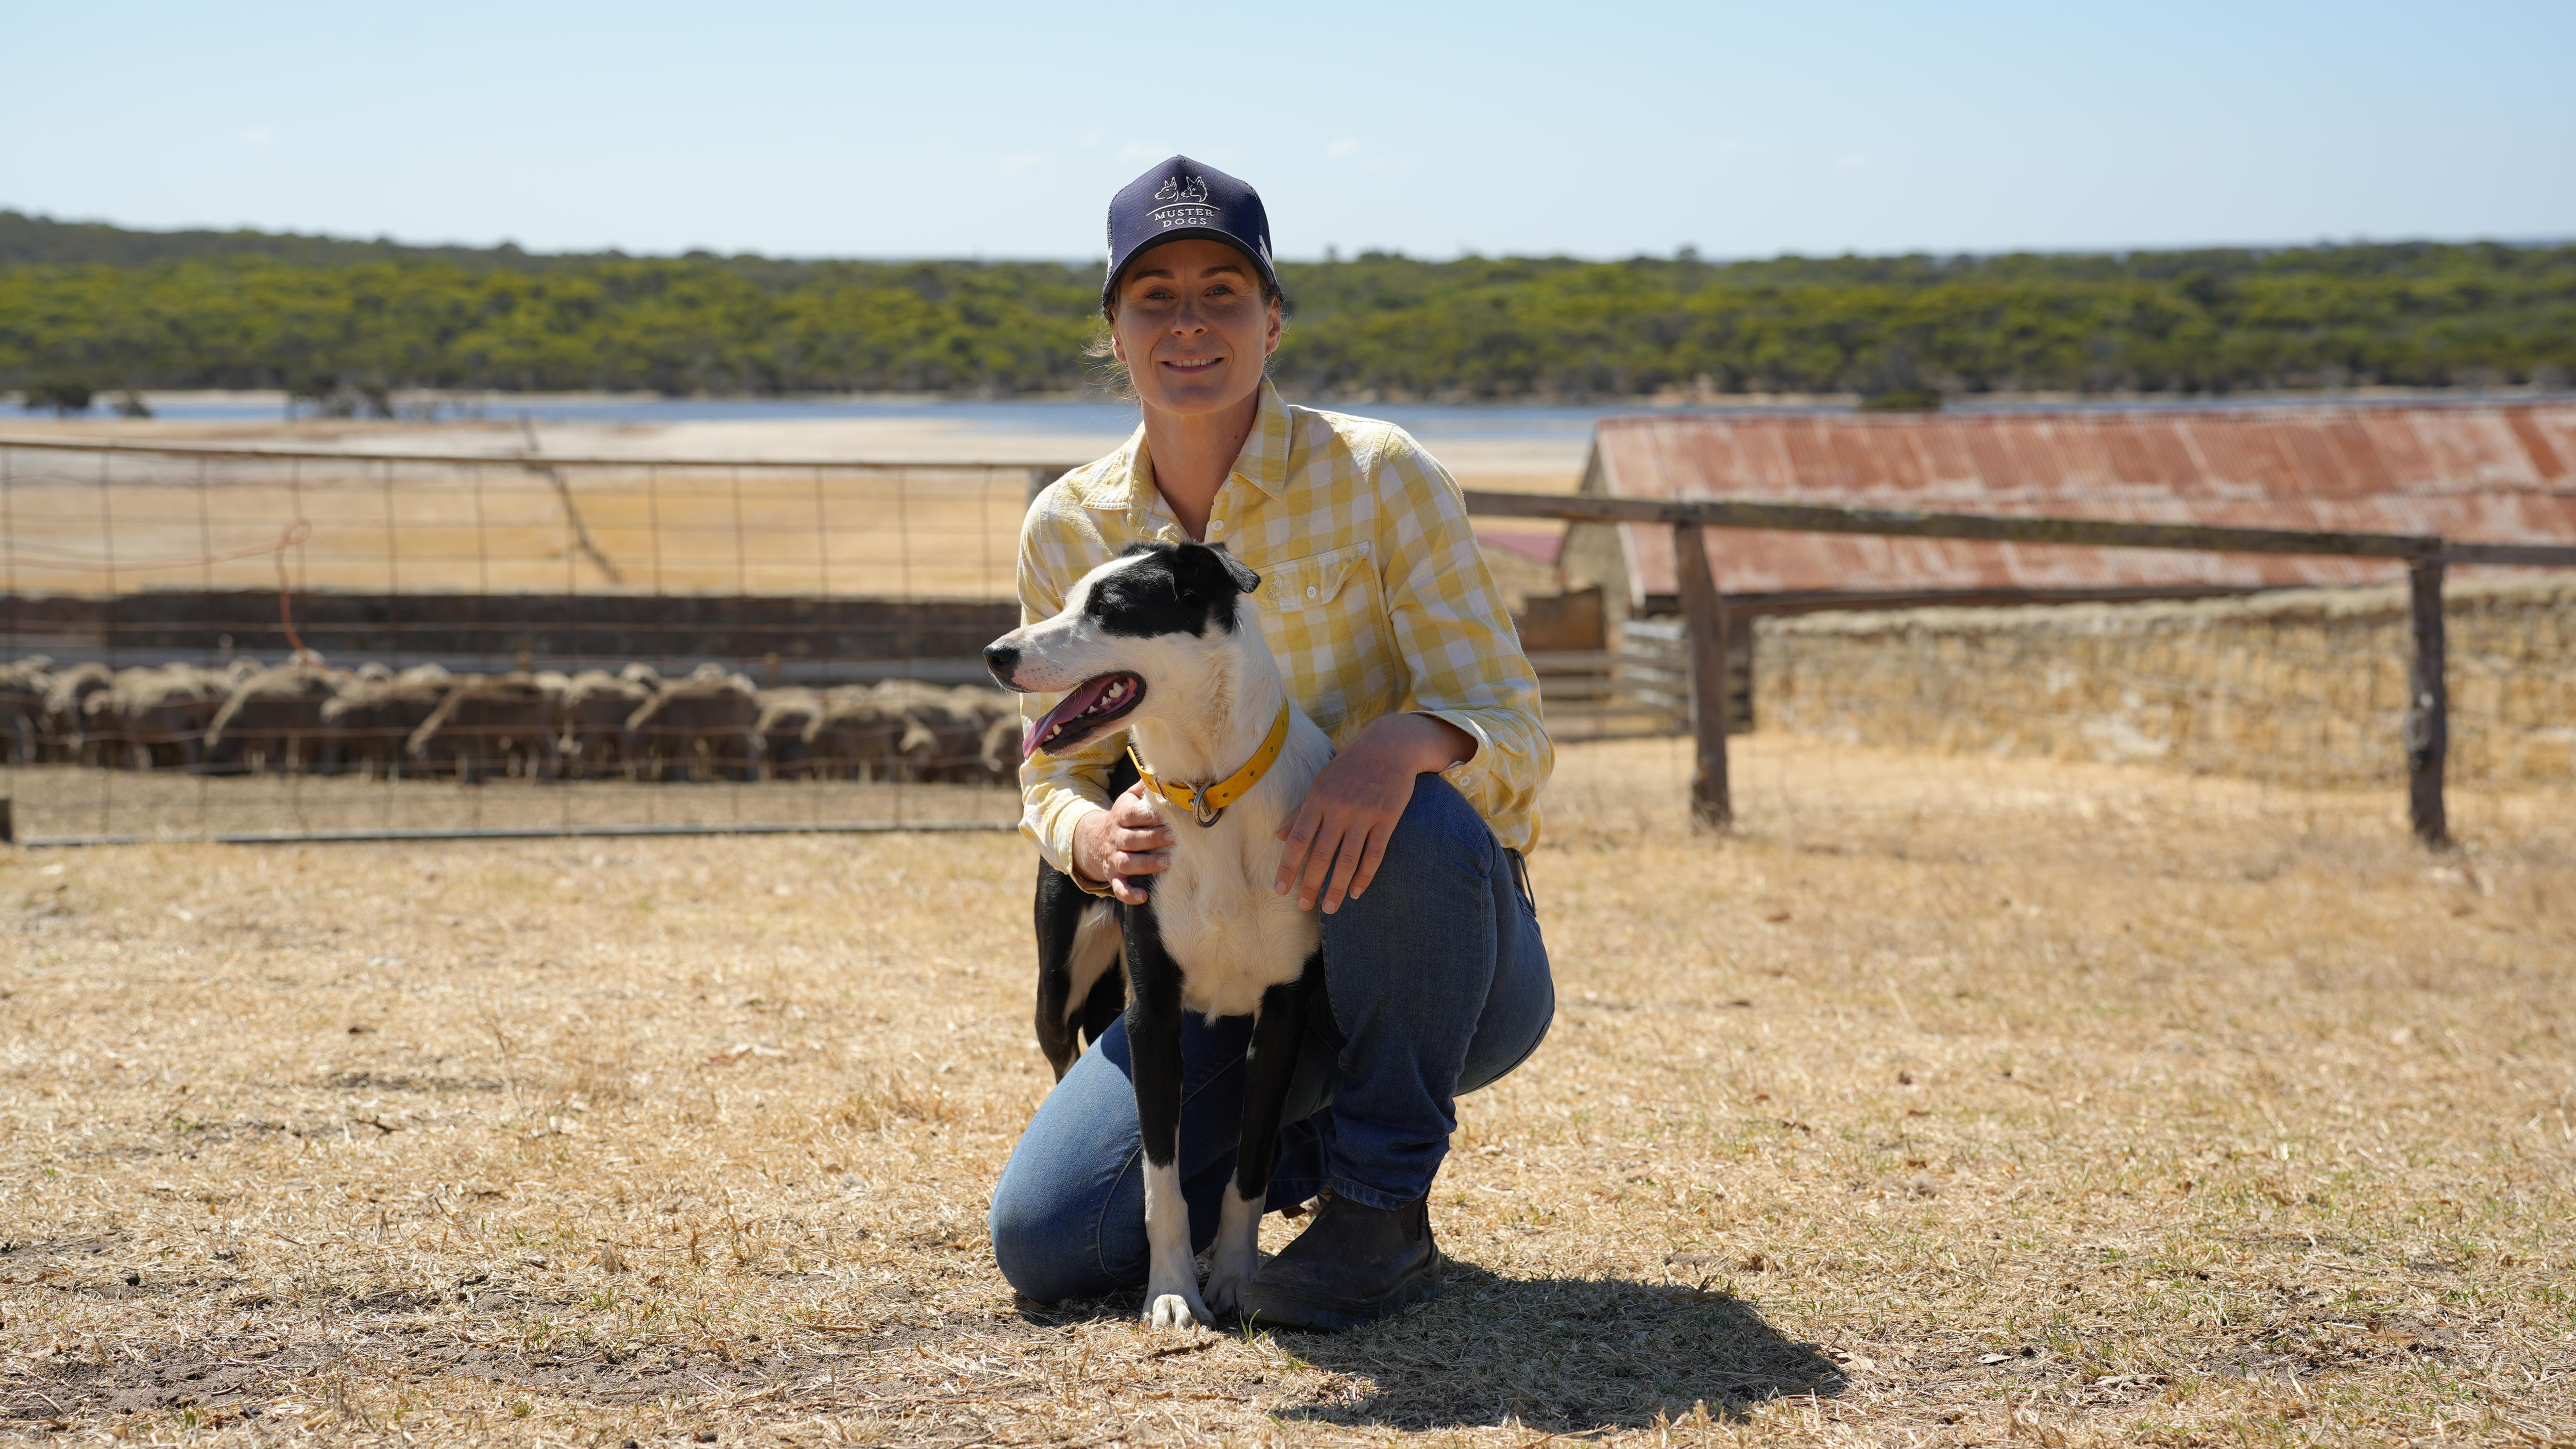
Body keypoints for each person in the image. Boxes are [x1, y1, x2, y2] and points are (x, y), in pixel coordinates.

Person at [986, 156, 1554, 1331]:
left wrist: (1396, 744)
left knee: (1411, 802)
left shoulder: (1383, 475)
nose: (1188, 321)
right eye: (1154, 296)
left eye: (1222, 291)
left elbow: (1512, 726)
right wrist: (1090, 831)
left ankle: (1377, 1212)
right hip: (1208, 963)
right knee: (1046, 1245)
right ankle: (1280, 1150)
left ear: (1272, 318)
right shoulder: (1070, 523)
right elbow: (1053, 769)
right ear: (1113, 330)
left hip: (1428, 957)